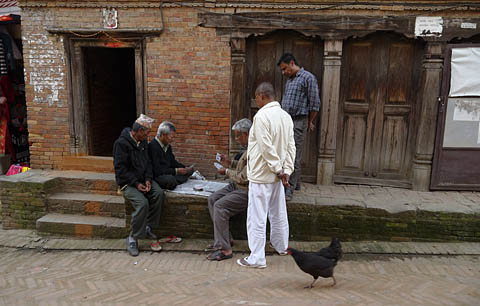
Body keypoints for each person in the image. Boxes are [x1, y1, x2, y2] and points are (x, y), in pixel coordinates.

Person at [237, 82, 296, 269]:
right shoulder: (286, 117)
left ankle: (257, 258)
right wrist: (286, 170)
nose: (256, 102)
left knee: (257, 217)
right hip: (277, 176)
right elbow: (290, 147)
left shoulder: (261, 117)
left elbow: (265, 147)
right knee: (278, 213)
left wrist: (279, 169)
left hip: (262, 175)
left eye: (256, 98)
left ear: (261, 96)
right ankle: (280, 246)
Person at [113, 114, 164, 256]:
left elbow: (148, 163)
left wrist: (148, 179)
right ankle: (132, 238)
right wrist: (136, 184)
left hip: (143, 180)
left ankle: (148, 227)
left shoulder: (143, 143)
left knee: (159, 194)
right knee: (142, 203)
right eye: (147, 133)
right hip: (128, 183)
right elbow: (120, 170)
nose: (148, 136)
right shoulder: (121, 144)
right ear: (140, 131)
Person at [206, 118, 251, 261]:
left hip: (246, 190)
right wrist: (229, 162)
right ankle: (225, 239)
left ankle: (225, 250)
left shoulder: (255, 150)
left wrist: (226, 171)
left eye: (238, 135)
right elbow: (241, 166)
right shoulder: (247, 148)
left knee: (220, 206)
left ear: (247, 134)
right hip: (236, 185)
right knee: (212, 199)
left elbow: (244, 177)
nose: (237, 139)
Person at [277, 53, 321, 201]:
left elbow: (315, 103)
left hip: (298, 121)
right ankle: (296, 183)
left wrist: (310, 121)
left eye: (284, 69)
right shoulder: (290, 80)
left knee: (293, 154)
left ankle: (288, 189)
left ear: (291, 63)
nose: (283, 72)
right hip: (286, 121)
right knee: (285, 152)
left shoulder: (308, 78)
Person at [149, 121, 194, 190]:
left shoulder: (167, 146)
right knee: (170, 179)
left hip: (169, 172)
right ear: (163, 135)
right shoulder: (152, 147)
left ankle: (174, 182)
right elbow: (157, 171)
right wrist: (176, 171)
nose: (173, 140)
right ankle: (173, 182)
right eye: (171, 137)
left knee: (189, 171)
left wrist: (184, 167)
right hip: (158, 176)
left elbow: (172, 161)